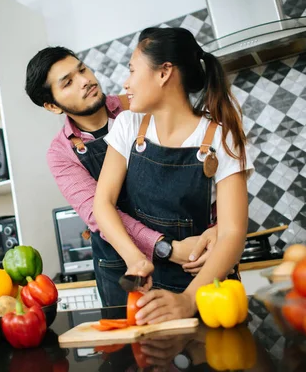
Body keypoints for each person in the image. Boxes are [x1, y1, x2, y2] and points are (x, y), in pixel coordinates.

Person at [24, 46, 221, 307]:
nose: (85, 81)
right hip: (124, 266)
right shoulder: (61, 153)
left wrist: (220, 228)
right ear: (52, 105)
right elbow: (98, 213)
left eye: (82, 69)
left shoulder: (139, 105)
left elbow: (200, 168)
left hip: (192, 253)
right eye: (68, 82)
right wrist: (166, 249)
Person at [93, 27, 253, 322]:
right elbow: (102, 203)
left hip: (208, 290)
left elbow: (232, 232)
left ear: (164, 72)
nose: (125, 84)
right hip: (150, 294)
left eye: (132, 71)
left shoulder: (222, 136)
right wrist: (135, 258)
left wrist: (189, 300)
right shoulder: (128, 126)